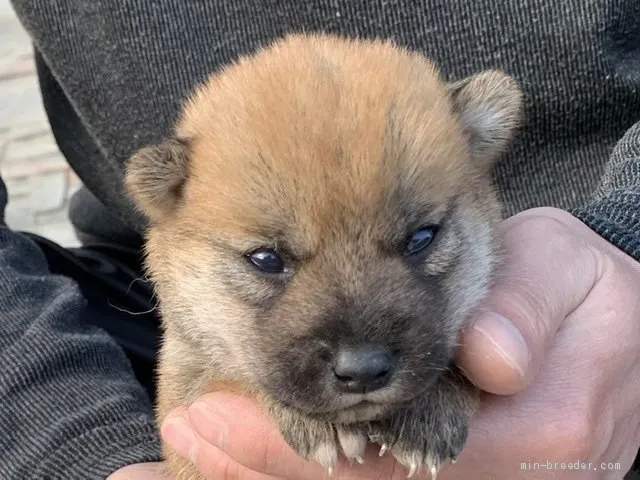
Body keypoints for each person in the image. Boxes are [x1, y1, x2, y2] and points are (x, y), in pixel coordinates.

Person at [1, 1, 639, 478]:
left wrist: (626, 235)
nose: (360, 358)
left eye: (420, 239)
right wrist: (75, 440)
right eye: (267, 260)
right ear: (169, 199)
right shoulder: (190, 226)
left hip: (590, 319)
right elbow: (191, 361)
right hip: (116, 326)